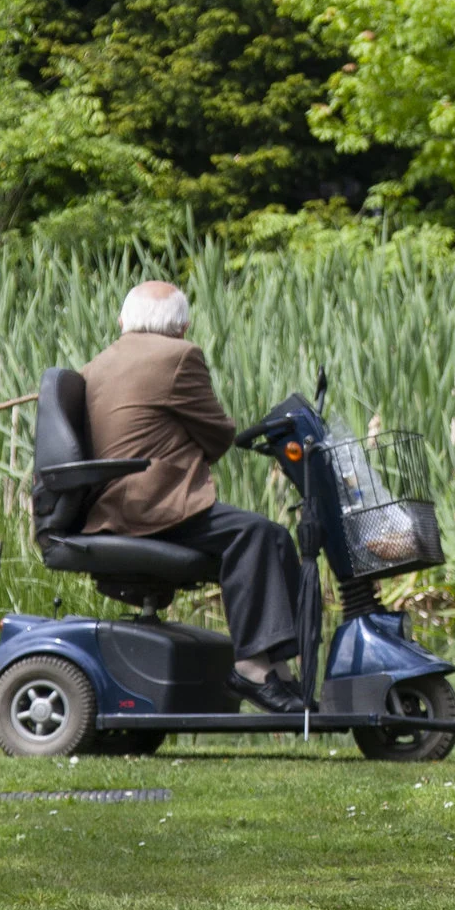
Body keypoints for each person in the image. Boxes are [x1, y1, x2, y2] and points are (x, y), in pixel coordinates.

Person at [82, 279, 315, 713]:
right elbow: (218, 436)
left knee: (270, 536)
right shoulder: (178, 356)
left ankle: (278, 672)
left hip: (110, 506)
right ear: (183, 327)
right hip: (149, 508)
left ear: (122, 321)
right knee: (258, 535)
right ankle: (251, 668)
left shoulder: (99, 362)